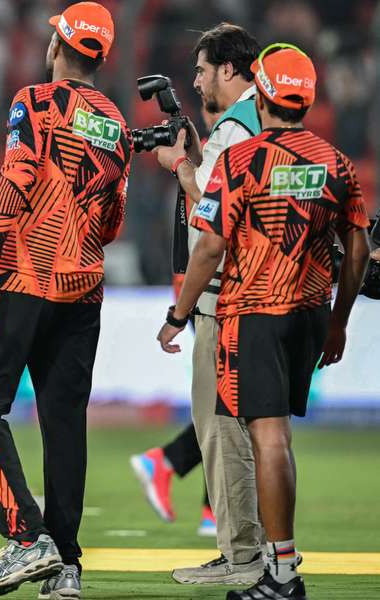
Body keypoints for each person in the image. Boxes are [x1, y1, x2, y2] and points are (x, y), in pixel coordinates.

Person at [158, 44, 369, 600]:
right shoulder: (337, 162)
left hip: (254, 312)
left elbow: (209, 246)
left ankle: (279, 570)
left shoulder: (241, 160)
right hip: (311, 314)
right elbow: (357, 250)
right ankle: (274, 563)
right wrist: (339, 321)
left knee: (267, 437)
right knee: (279, 437)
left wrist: (178, 315)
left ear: (265, 95)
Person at [0, 3, 131, 597]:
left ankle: (29, 539)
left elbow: (16, 177)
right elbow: (113, 220)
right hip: (83, 288)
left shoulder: (35, 102)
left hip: (24, 278)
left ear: (58, 45)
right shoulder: (117, 122)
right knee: (64, 424)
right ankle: (67, 567)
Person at [151, 23, 268, 585]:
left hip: (226, 299)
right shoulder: (265, 119)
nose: (195, 82)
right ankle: (272, 553)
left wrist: (178, 164)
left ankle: (241, 556)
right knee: (260, 433)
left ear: (227, 68)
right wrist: (198, 154)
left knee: (221, 431)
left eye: (201, 70)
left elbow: (210, 214)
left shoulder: (236, 126)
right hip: (266, 293)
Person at [131, 104, 222, 538]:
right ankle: (183, 477)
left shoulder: (200, 166)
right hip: (201, 284)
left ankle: (205, 500)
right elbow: (208, 230)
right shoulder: (202, 169)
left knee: (227, 397)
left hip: (194, 281)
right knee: (229, 399)